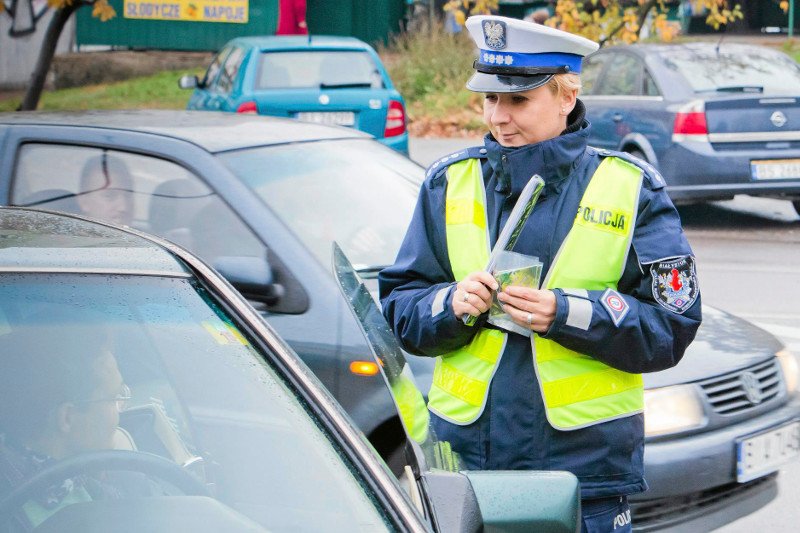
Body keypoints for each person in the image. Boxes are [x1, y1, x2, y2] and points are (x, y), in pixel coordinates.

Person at [379, 15, 701, 533]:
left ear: (565, 96)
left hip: (584, 480)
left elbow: (671, 328)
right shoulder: (447, 183)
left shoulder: (632, 189)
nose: (499, 117)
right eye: (490, 99)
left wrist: (568, 313)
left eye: (518, 100)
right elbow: (401, 307)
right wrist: (450, 305)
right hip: (468, 474)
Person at [0, 326, 130, 529]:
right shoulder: (10, 517)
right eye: (113, 398)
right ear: (67, 418)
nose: (119, 411)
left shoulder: (111, 476)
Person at [76, 153, 134, 226]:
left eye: (128, 196)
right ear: (84, 202)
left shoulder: (148, 236)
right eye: (109, 196)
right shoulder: (63, 237)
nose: (123, 207)